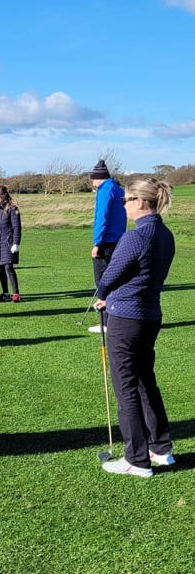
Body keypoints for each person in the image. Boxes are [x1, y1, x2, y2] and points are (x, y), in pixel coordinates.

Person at [94, 178, 175, 478]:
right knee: (145, 382)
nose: (124, 205)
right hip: (149, 316)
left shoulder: (135, 236)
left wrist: (104, 296)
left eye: (127, 200)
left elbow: (109, 277)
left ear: (141, 202)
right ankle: (161, 449)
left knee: (126, 387)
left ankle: (137, 459)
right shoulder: (165, 234)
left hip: (126, 320)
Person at [89, 159, 126, 332]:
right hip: (119, 240)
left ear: (98, 178)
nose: (92, 182)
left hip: (106, 242)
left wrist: (97, 243)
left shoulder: (104, 191)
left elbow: (101, 218)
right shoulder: (118, 188)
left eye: (93, 179)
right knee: (116, 280)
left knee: (103, 282)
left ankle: (105, 323)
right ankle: (116, 320)